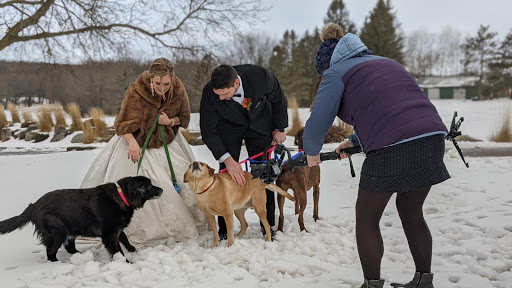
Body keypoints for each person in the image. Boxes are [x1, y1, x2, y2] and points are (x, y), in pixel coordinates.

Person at [303, 24, 449, 288]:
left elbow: (317, 123)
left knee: (367, 218)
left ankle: (371, 284)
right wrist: (355, 141)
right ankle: (423, 281)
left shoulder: (335, 73)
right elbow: (389, 108)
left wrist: (311, 153)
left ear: (326, 65)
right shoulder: (386, 63)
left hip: (392, 147)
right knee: (411, 210)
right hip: (432, 137)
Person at [81, 58, 206, 247]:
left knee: (181, 181)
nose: (162, 88)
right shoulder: (135, 92)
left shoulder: (178, 88)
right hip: (134, 140)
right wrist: (132, 143)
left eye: (166, 84)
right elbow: (121, 125)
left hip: (167, 141)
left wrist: (170, 122)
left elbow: (184, 118)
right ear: (150, 79)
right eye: (158, 83)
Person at [200, 64, 288, 241]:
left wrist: (280, 128)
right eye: (219, 95)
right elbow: (208, 129)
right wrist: (227, 160)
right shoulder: (210, 92)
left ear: (236, 84)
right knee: (226, 174)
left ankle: (268, 225)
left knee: (263, 173)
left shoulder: (260, 76)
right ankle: (225, 230)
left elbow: (278, 97)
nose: (222, 98)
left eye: (225, 94)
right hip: (229, 127)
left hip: (259, 124)